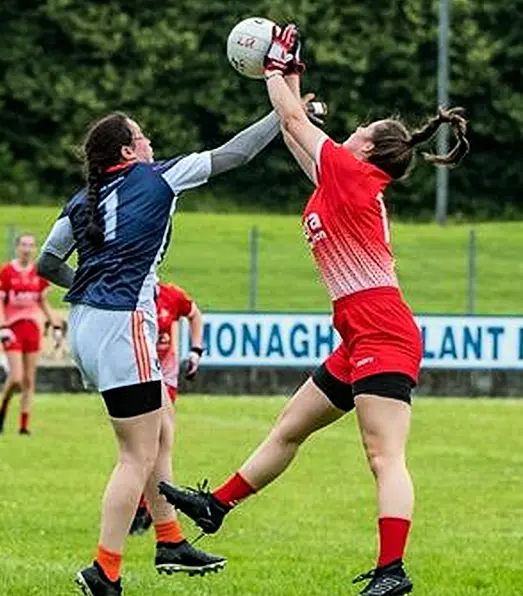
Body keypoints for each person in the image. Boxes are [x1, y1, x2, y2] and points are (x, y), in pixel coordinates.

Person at [158, 27, 469, 596]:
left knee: (384, 456)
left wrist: (274, 68)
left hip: (384, 334)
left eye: (356, 131)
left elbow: (297, 124)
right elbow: (296, 134)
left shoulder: (352, 174)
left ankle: (391, 570)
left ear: (368, 148)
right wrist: (292, 74)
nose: (347, 133)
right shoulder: (342, 179)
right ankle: (216, 505)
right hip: (359, 338)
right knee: (289, 429)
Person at [37, 104, 290, 595]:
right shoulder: (156, 176)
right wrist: (284, 113)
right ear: (129, 152)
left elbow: (48, 262)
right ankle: (104, 570)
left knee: (161, 430)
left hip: (88, 322)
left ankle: (170, 541)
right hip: (121, 323)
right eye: (143, 136)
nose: (151, 141)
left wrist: (87, 285)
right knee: (135, 454)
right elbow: (235, 154)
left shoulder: (81, 199)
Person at [130, 281, 204, 535]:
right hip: (137, 375)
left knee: (155, 441)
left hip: (166, 377)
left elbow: (194, 315)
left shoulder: (171, 295)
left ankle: (144, 508)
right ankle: (146, 507)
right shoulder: (129, 293)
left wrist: (196, 351)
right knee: (143, 443)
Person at [0, 233, 63, 435]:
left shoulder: (38, 272)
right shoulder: (7, 271)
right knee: (16, 378)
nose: (27, 248)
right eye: (23, 244)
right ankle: (2, 408)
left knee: (29, 379)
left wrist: (54, 323)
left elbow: (42, 301)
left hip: (32, 327)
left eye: (31, 245)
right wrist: (1, 324)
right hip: (12, 328)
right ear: (17, 247)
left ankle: (24, 425)